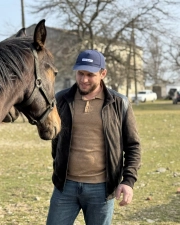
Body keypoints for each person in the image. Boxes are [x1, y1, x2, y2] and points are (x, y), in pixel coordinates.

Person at [46, 49, 141, 225]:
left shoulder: (119, 103)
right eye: (80, 73)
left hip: (102, 189)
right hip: (65, 187)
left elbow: (133, 145)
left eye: (90, 75)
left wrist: (128, 181)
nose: (84, 80)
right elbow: (56, 141)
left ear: (103, 73)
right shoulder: (61, 100)